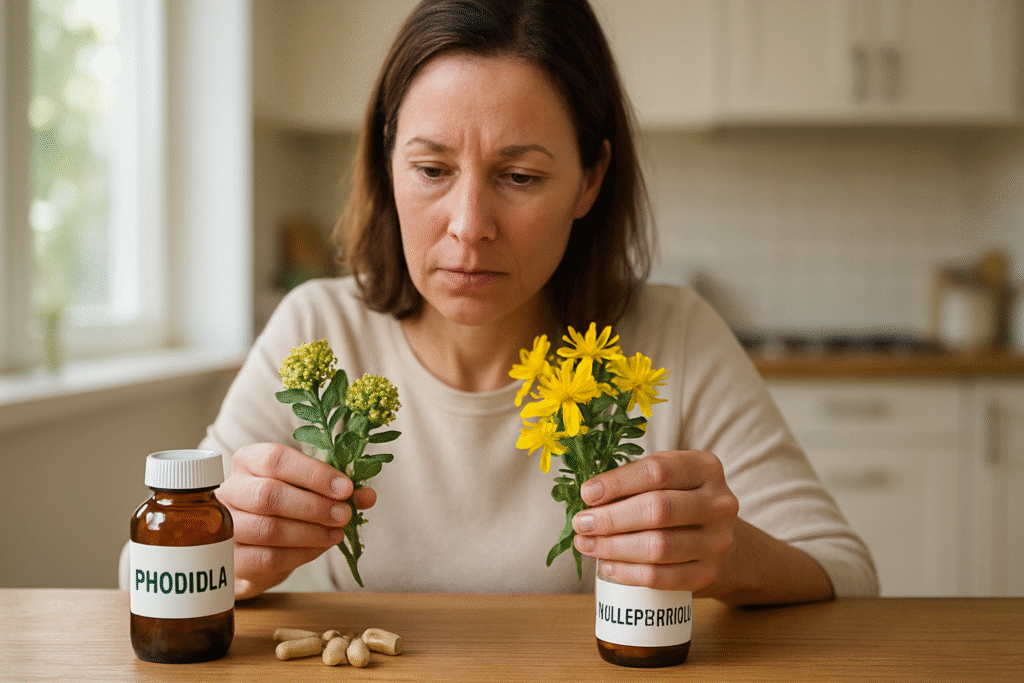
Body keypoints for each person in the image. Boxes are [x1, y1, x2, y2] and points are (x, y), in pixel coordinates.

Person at [203, 0, 878, 603]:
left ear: (590, 181)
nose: (470, 224)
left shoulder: (676, 336)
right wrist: (221, 552)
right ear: (387, 164)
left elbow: (849, 575)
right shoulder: (317, 329)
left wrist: (731, 558)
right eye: (432, 170)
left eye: (520, 176)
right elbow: (138, 568)